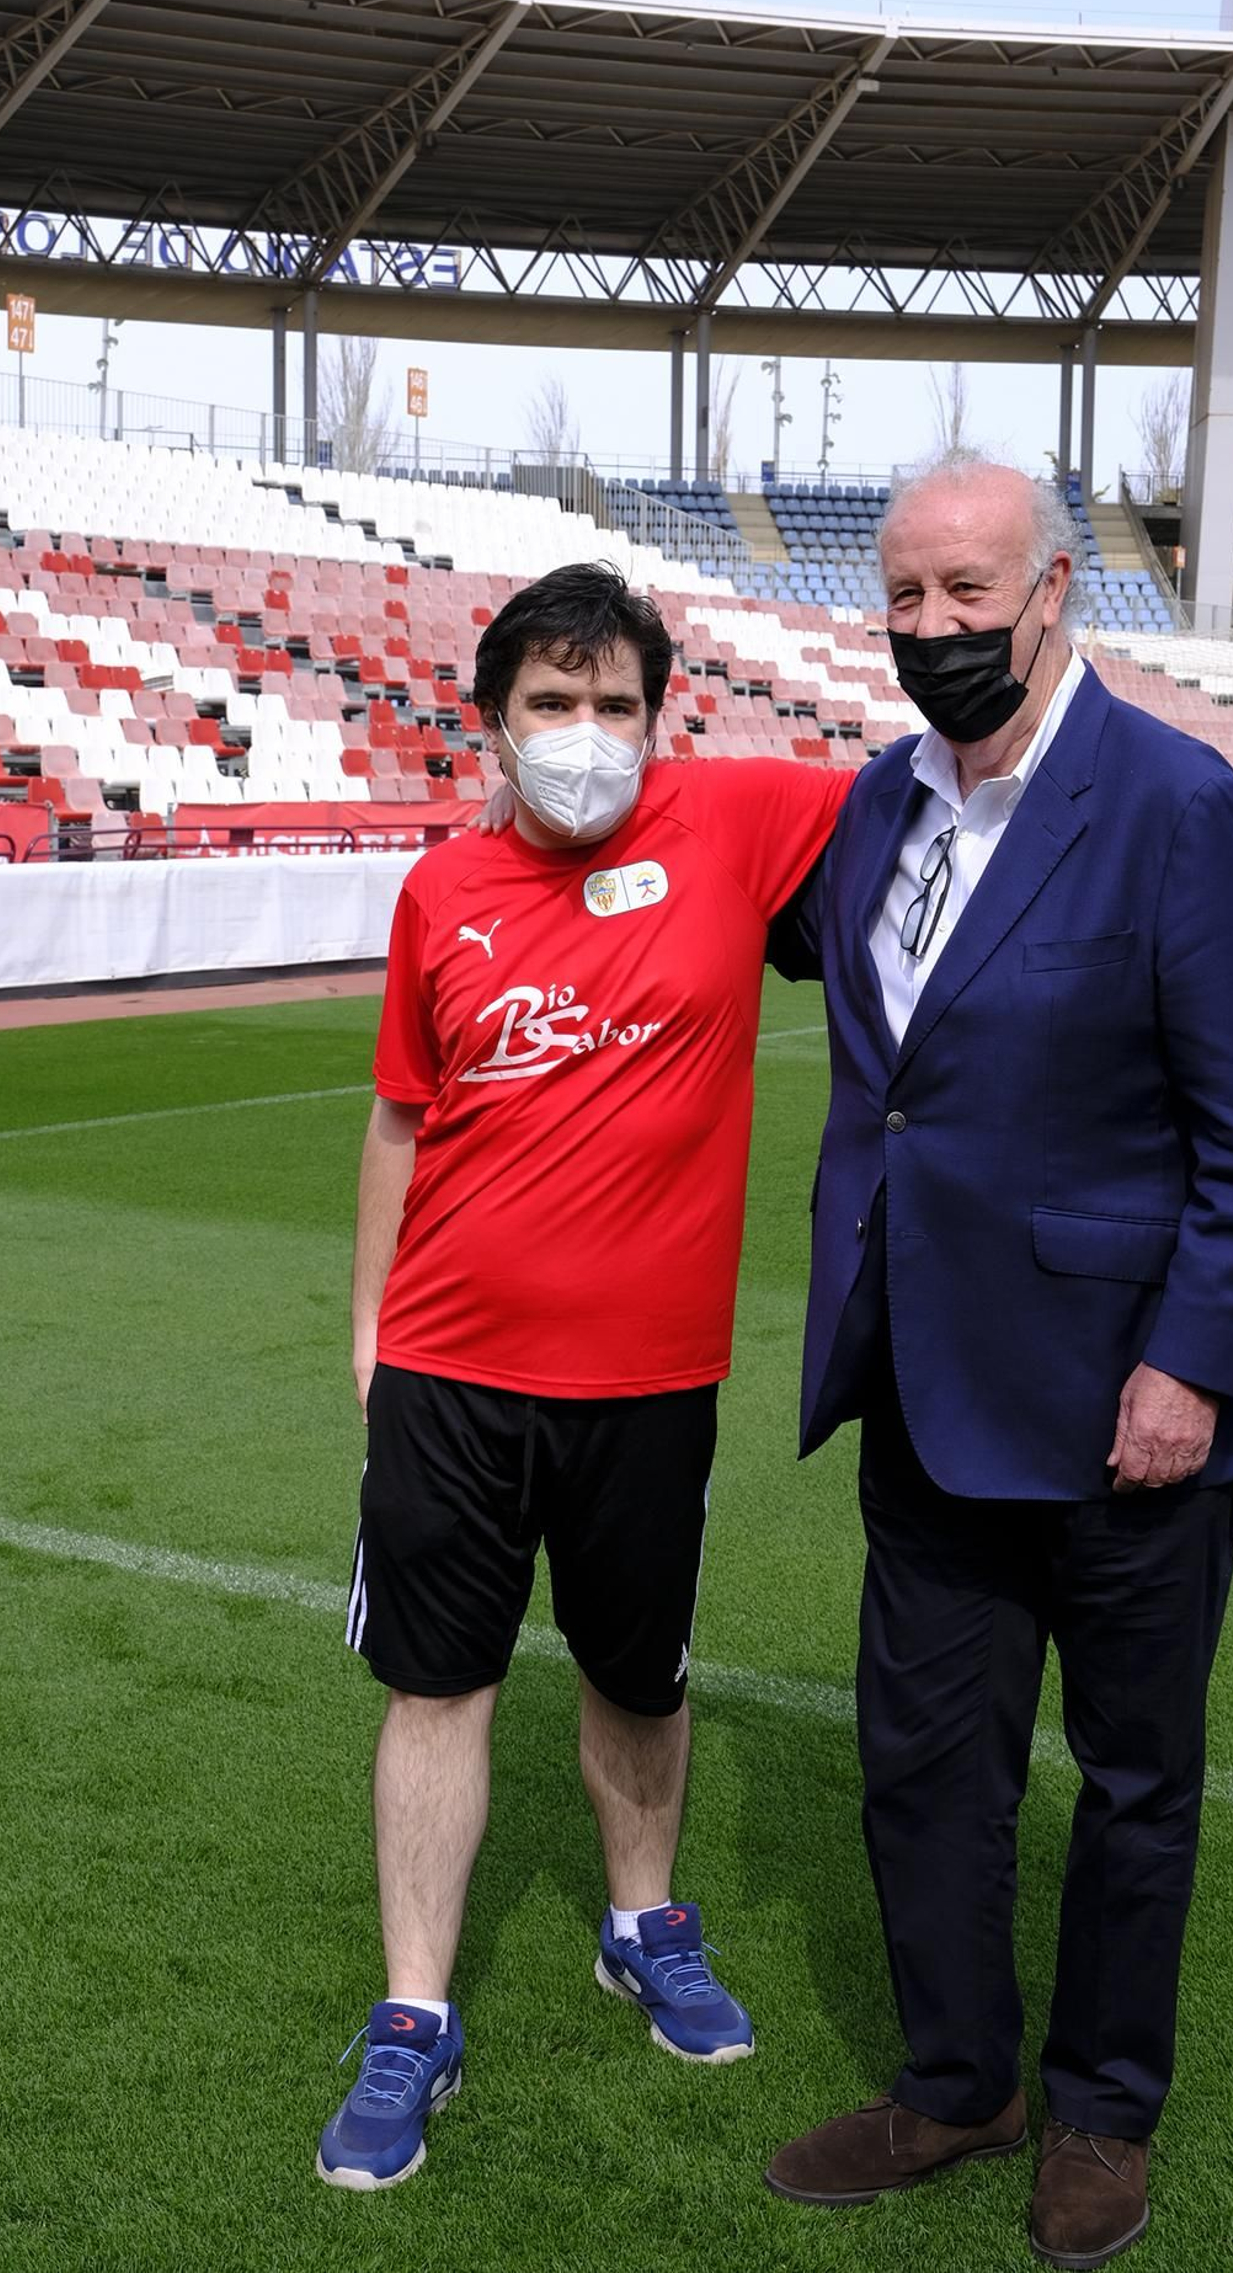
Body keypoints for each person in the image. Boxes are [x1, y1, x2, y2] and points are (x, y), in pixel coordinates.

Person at [762, 455, 1233, 2268]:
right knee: (926, 1766)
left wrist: (1192, 1369)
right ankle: (955, 2082)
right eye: (904, 596)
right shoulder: (872, 807)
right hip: (925, 1383)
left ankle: (1099, 2107)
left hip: (1126, 1403)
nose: (932, 629)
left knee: (1135, 1776)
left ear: (1055, 589)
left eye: (966, 594)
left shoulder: (1177, 806)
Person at [317, 560, 852, 2191]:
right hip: (451, 1370)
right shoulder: (440, 896)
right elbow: (401, 1119)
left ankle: (645, 1927)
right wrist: (366, 1326)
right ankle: (413, 2017)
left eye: (616, 704)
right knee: (437, 1687)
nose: (588, 734)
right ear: (492, 724)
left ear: (656, 715)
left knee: (641, 1675)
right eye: (553, 704)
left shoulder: (739, 823)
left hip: (650, 1381)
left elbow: (937, 803)